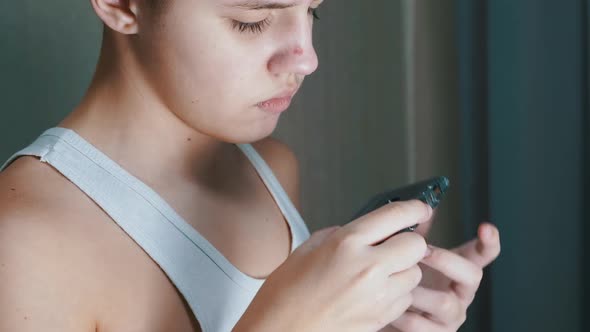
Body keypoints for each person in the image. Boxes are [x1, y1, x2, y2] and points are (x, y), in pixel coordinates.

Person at [0, 0, 501, 331]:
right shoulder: (23, 243)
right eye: (252, 19)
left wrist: (380, 315)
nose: (307, 60)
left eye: (313, 12)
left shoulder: (272, 171)